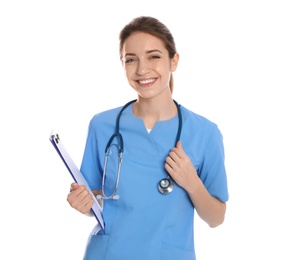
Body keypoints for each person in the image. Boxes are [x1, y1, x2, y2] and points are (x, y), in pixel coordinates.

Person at [67, 16, 229, 260]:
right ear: (122, 65)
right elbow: (97, 200)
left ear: (173, 61)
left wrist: (192, 183)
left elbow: (216, 218)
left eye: (154, 56)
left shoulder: (205, 133)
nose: (142, 69)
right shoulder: (102, 125)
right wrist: (84, 203)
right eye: (131, 60)